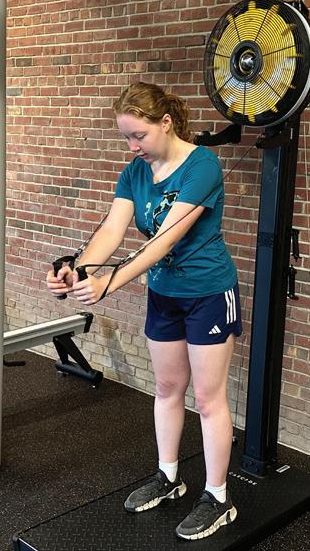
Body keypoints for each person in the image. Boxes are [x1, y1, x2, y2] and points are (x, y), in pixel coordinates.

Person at [46, 81, 242, 540]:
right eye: (127, 137)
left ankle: (218, 497)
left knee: (208, 399)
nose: (133, 146)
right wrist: (78, 270)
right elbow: (112, 230)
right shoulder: (135, 172)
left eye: (139, 136)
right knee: (168, 387)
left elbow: (165, 238)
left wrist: (108, 283)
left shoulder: (202, 165)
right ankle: (168, 476)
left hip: (209, 293)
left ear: (166, 123)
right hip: (165, 295)